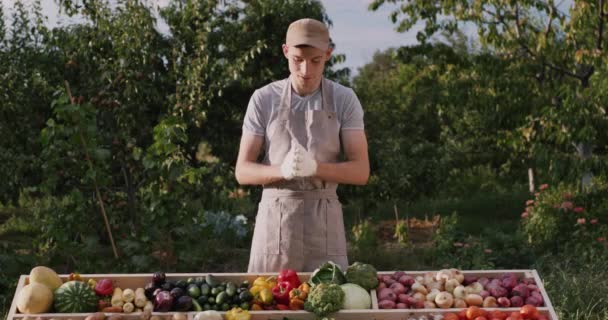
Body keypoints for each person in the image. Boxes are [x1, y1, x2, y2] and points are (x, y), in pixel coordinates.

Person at [235, 18, 369, 273]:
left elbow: (361, 171)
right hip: (276, 222)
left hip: (324, 221)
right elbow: (242, 171)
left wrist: (315, 168)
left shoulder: (344, 99)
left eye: (315, 60)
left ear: (328, 54)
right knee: (269, 305)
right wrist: (281, 171)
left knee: (328, 306)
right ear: (285, 51)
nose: (306, 70)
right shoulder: (264, 99)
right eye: (297, 59)